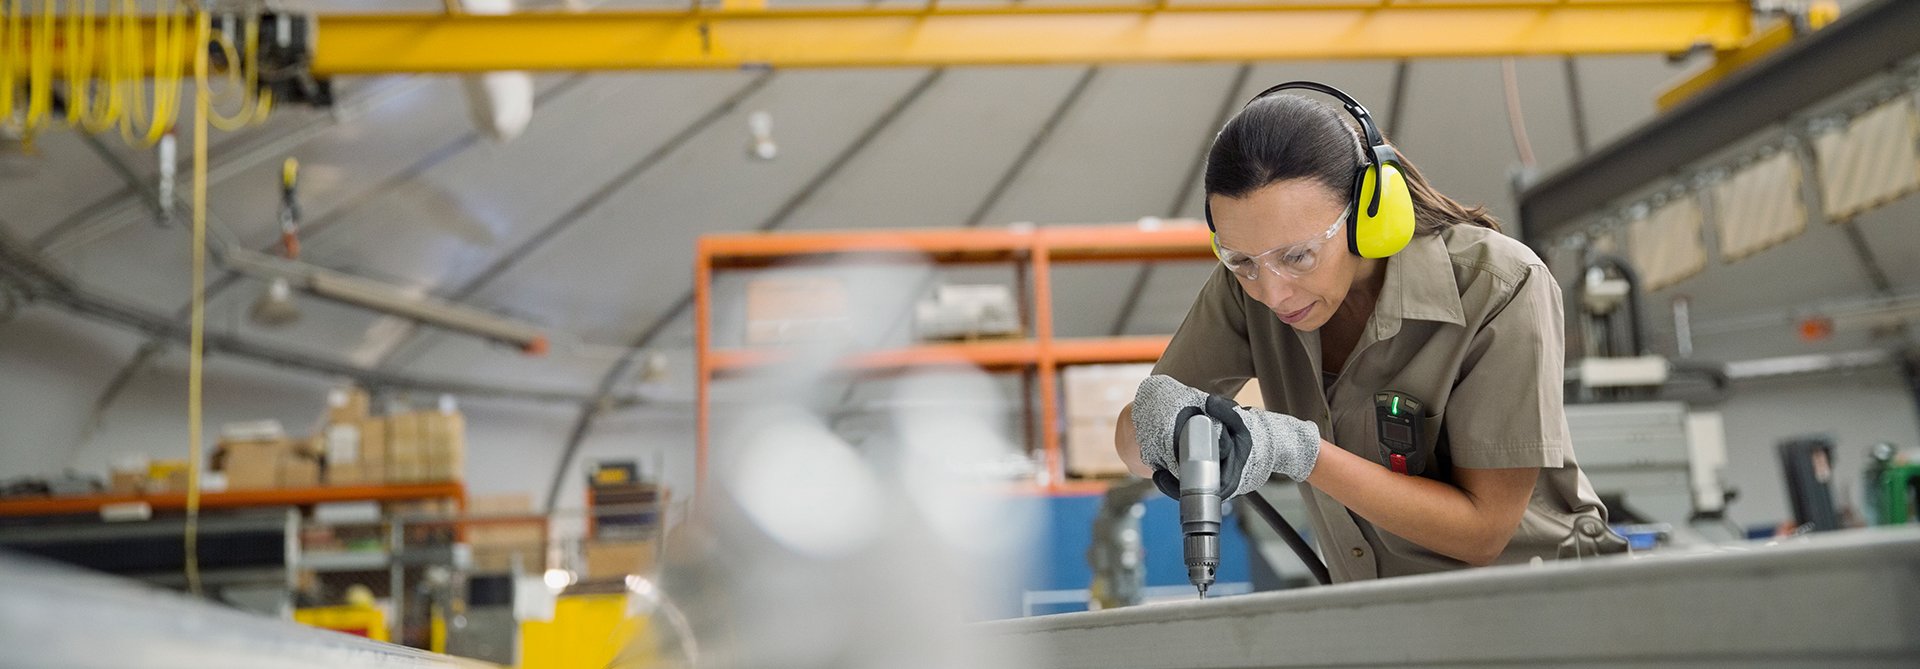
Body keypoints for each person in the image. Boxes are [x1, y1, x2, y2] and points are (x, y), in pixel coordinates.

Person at [1114, 82, 1624, 582]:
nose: (1273, 293)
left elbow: (1482, 532)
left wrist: (1297, 450)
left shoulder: (1499, 286)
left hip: (1543, 613)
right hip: (1383, 620)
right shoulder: (1243, 288)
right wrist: (1157, 422)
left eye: (1298, 256)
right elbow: (1134, 448)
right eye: (1242, 260)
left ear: (1370, 213)